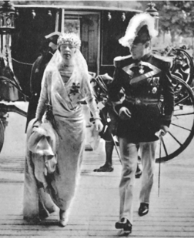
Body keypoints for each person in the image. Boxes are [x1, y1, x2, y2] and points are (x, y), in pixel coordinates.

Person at [23, 33, 103, 227]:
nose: (67, 50)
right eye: (63, 47)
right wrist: (37, 120)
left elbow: (90, 99)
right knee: (46, 166)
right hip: (53, 125)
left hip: (75, 129)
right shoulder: (50, 73)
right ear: (58, 50)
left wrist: (97, 117)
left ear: (76, 51)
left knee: (68, 171)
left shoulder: (81, 74)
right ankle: (48, 200)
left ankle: (65, 208)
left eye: (71, 47)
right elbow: (43, 98)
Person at [108, 13, 174, 234]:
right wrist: (119, 106)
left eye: (134, 46)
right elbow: (114, 91)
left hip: (151, 123)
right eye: (129, 45)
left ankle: (144, 200)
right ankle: (125, 218)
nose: (130, 50)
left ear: (146, 45)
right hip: (128, 123)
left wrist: (166, 122)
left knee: (148, 167)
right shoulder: (122, 65)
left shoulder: (161, 66)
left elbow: (169, 96)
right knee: (127, 169)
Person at [26, 32, 60, 131]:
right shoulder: (46, 61)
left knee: (36, 127)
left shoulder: (41, 60)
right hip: (44, 98)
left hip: (38, 96)